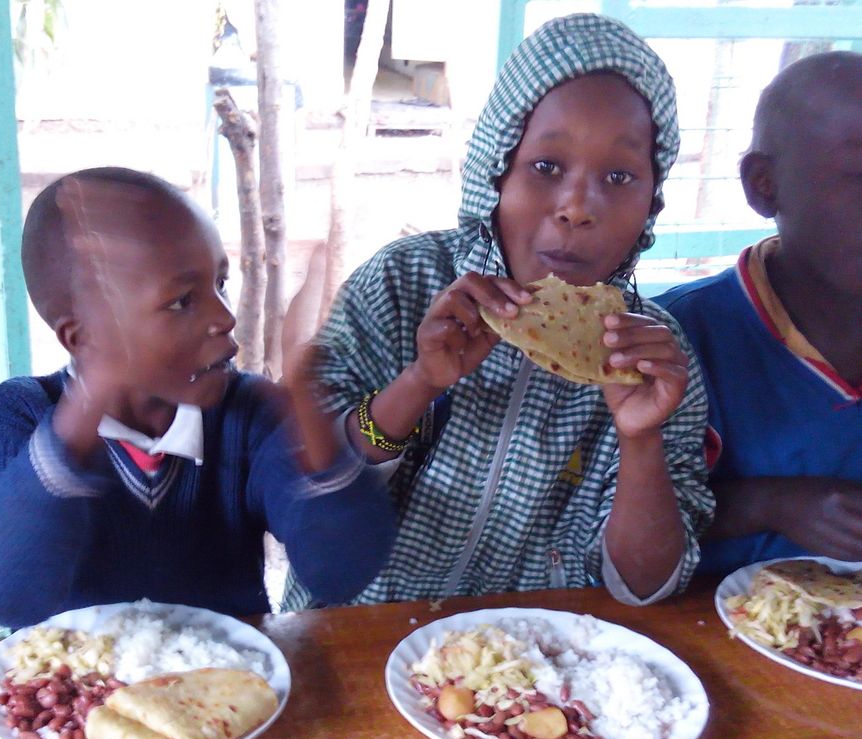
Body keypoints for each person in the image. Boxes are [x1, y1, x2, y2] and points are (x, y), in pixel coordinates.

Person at [286, 13, 713, 610]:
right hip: (354, 637)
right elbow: (305, 487)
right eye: (546, 167)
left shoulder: (652, 358)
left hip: (515, 669)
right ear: (496, 171)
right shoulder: (401, 282)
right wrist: (418, 383)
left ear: (652, 202)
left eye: (619, 176)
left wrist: (640, 438)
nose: (577, 207)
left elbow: (644, 586)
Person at [0, 167, 394, 628]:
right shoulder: (17, 414)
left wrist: (310, 421)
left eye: (220, 283)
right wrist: (85, 411)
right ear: (83, 337)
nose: (224, 317)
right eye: (181, 301)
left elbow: (340, 573)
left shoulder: (249, 412)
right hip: (74, 691)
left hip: (225, 689)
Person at [659, 51, 862, 576]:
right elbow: (602, 537)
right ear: (763, 185)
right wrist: (767, 503)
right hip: (704, 641)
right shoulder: (674, 341)